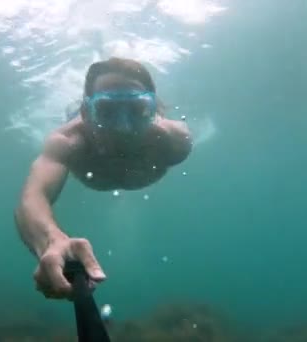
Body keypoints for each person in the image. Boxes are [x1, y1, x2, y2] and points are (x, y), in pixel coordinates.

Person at [14, 57, 193, 300]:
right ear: (86, 113)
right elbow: (33, 197)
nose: (123, 127)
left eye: (138, 110)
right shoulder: (68, 142)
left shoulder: (175, 142)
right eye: (107, 111)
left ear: (155, 110)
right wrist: (51, 241)